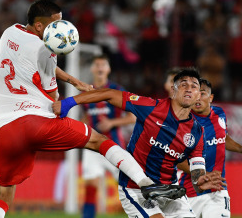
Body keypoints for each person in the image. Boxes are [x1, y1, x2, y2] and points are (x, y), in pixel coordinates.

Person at [0, 0, 181, 218]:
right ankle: (146, 182)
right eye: (54, 25)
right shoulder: (46, 51)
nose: (59, 30)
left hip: (5, 128)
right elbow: (53, 97)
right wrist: (63, 92)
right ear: (40, 26)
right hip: (36, 122)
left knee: (2, 195)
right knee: (99, 141)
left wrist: (73, 80)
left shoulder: (10, 33)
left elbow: (33, 61)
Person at [53, 68, 226, 218]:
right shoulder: (151, 107)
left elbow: (196, 170)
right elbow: (109, 94)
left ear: (198, 96)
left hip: (170, 191)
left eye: (194, 86)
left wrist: (200, 180)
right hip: (136, 189)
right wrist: (69, 102)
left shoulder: (197, 131)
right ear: (173, 91)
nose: (189, 88)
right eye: (183, 84)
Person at [177, 79, 242, 218]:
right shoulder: (183, 123)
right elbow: (176, 159)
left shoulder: (220, 114)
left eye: (203, 94)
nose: (198, 98)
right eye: (195, 94)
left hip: (217, 189)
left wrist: (241, 149)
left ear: (211, 97)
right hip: (188, 191)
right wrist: (201, 174)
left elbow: (223, 137)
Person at [80, 55, 136, 218]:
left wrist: (112, 123)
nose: (99, 68)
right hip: (92, 147)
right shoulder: (86, 92)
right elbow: (86, 117)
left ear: (108, 69)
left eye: (103, 65)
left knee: (129, 186)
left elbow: (132, 117)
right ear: (92, 69)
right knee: (90, 186)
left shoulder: (117, 91)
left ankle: (144, 213)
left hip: (114, 146)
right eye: (96, 65)